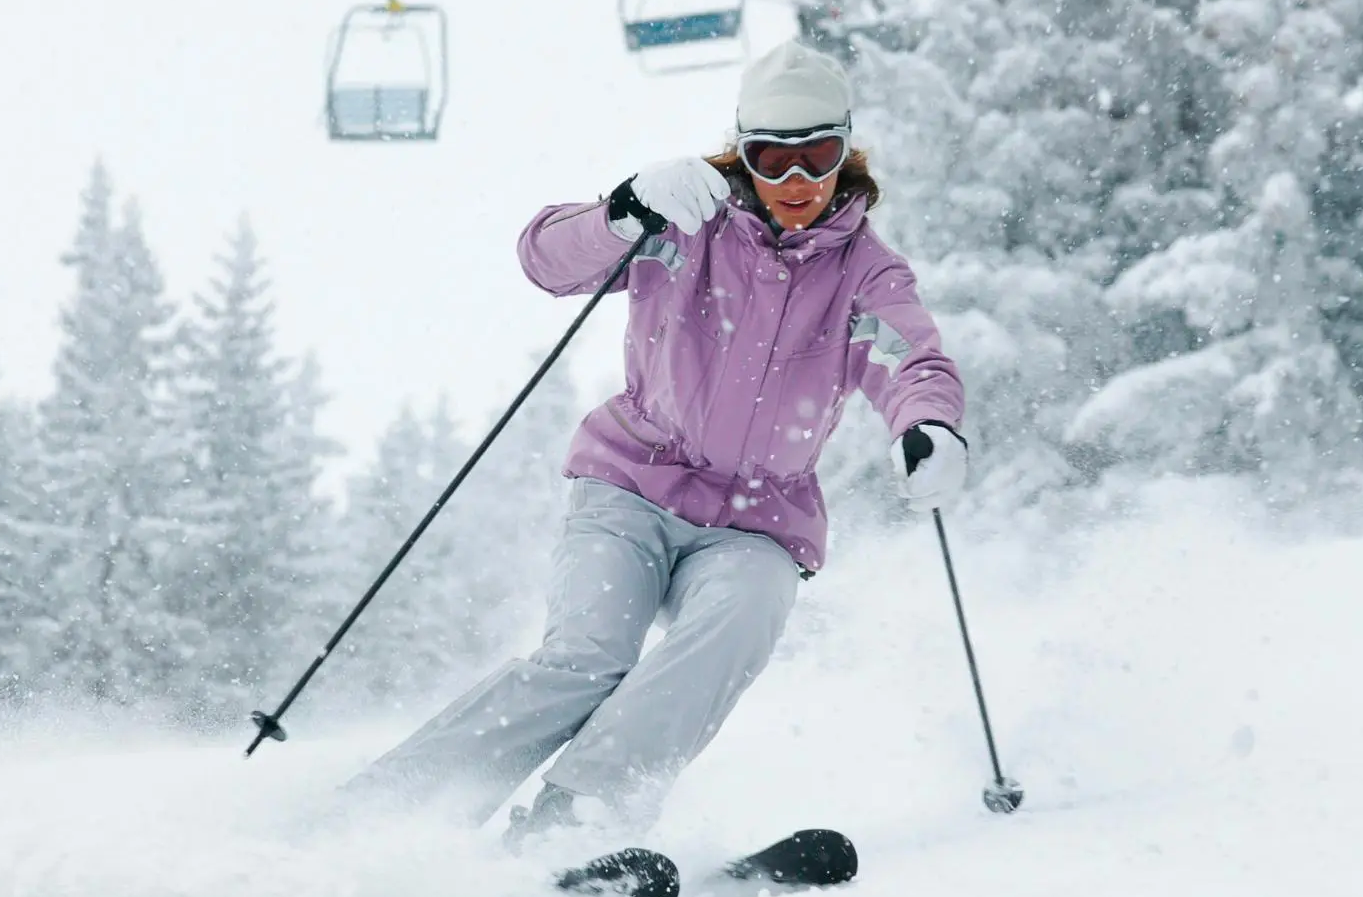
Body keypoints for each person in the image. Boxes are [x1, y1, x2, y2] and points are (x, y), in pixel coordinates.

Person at [345, 41, 967, 845]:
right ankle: (386, 813)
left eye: (817, 156)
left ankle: (577, 818)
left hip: (758, 521)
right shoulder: (686, 222)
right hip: (632, 485)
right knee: (587, 657)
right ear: (743, 153)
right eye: (772, 158)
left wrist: (927, 423)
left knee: (741, 619)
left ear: (846, 152)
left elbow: (911, 358)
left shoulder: (866, 274)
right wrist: (622, 209)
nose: (797, 180)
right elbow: (546, 261)